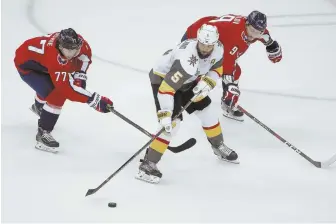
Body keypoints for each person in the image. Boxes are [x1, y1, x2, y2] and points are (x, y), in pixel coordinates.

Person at [136, 24, 239, 184]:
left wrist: (209, 81)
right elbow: (166, 90)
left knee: (208, 111)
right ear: (197, 40)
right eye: (203, 44)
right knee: (172, 124)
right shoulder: (186, 60)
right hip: (163, 79)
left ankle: (218, 146)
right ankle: (148, 164)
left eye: (209, 45)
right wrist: (165, 114)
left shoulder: (218, 48)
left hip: (189, 80)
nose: (206, 48)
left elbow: (217, 68)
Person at [14, 28, 113, 153]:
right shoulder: (54, 57)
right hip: (28, 67)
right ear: (60, 46)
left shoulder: (81, 44)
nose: (72, 53)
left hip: (42, 62)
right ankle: (43, 133)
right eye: (68, 50)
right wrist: (94, 100)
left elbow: (85, 58)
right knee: (57, 94)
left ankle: (39, 107)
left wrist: (80, 76)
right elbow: (67, 90)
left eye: (75, 49)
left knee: (53, 88)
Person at [182, 10, 283, 121]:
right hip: (196, 37)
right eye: (252, 30)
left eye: (258, 32)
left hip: (215, 35)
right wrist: (230, 86)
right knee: (198, 69)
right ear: (246, 23)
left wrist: (270, 44)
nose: (253, 36)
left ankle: (227, 105)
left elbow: (263, 34)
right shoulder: (234, 36)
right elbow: (226, 64)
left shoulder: (255, 30)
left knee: (233, 73)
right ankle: (175, 91)